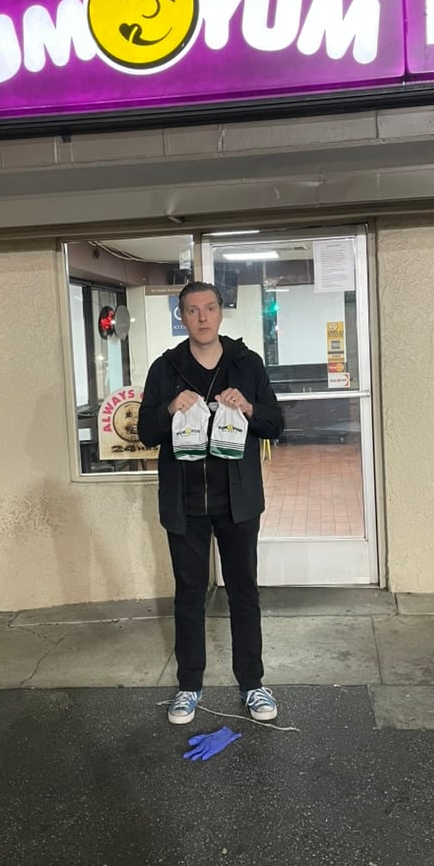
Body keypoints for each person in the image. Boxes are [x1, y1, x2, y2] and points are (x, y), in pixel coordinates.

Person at [138, 281, 284, 725]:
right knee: (188, 595)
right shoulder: (166, 368)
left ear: (221, 313)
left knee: (244, 592)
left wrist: (250, 408)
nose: (202, 317)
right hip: (184, 504)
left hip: (238, 501)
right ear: (181, 317)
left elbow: (276, 423)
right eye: (192, 310)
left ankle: (252, 683)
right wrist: (167, 408)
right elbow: (145, 432)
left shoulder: (247, 363)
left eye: (210, 308)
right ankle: (189, 686)